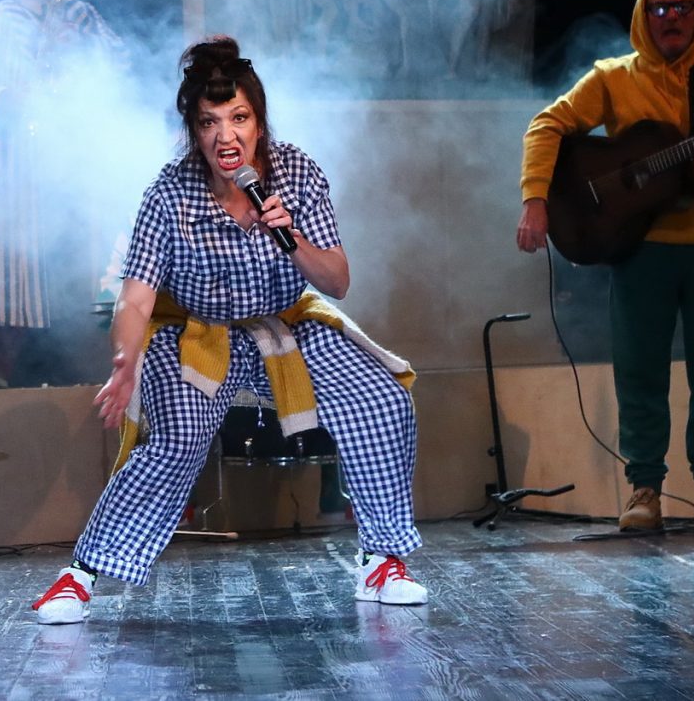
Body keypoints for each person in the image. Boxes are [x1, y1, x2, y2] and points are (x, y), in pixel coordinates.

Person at [31, 36, 428, 624]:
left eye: (239, 118)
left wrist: (290, 236)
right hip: (198, 334)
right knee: (176, 439)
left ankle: (382, 559)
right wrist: (126, 359)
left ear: (259, 123)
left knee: (382, 398)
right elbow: (136, 299)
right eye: (209, 122)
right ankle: (80, 576)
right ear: (193, 131)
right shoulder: (170, 192)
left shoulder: (296, 171)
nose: (226, 136)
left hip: (284, 325)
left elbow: (338, 281)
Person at [516, 0, 694, 531]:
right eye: (660, 8)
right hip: (641, 249)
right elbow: (547, 125)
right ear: (644, 16)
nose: (672, 17)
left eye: (683, 7)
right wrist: (536, 199)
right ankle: (644, 490)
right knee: (640, 373)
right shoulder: (612, 77)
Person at [0, 0, 121, 388]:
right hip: (14, 167)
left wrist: (82, 51)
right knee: (14, 273)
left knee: (81, 269)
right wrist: (9, 97)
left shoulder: (81, 15)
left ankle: (89, 377)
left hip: (73, 163)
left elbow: (122, 67)